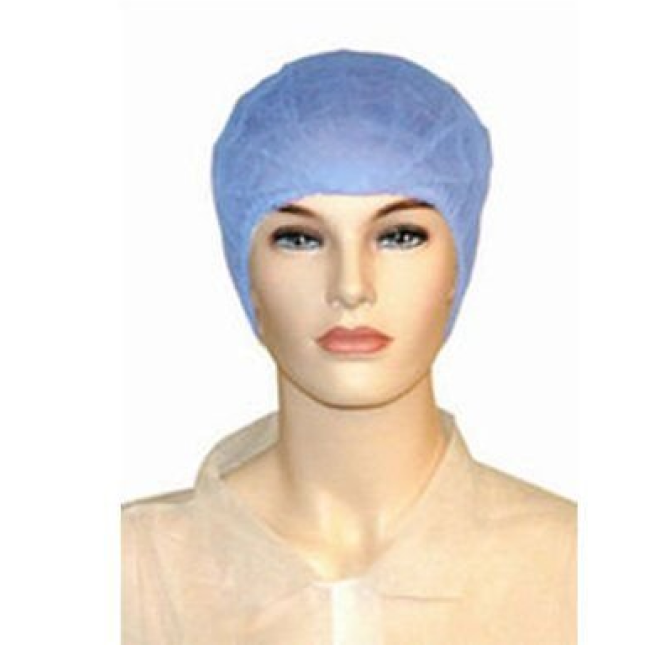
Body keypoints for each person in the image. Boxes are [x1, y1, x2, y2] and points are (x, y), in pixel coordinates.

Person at [122, 49, 577, 644]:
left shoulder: (569, 570)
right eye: (300, 239)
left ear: (458, 266)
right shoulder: (133, 574)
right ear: (246, 273)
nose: (351, 287)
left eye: (400, 235)